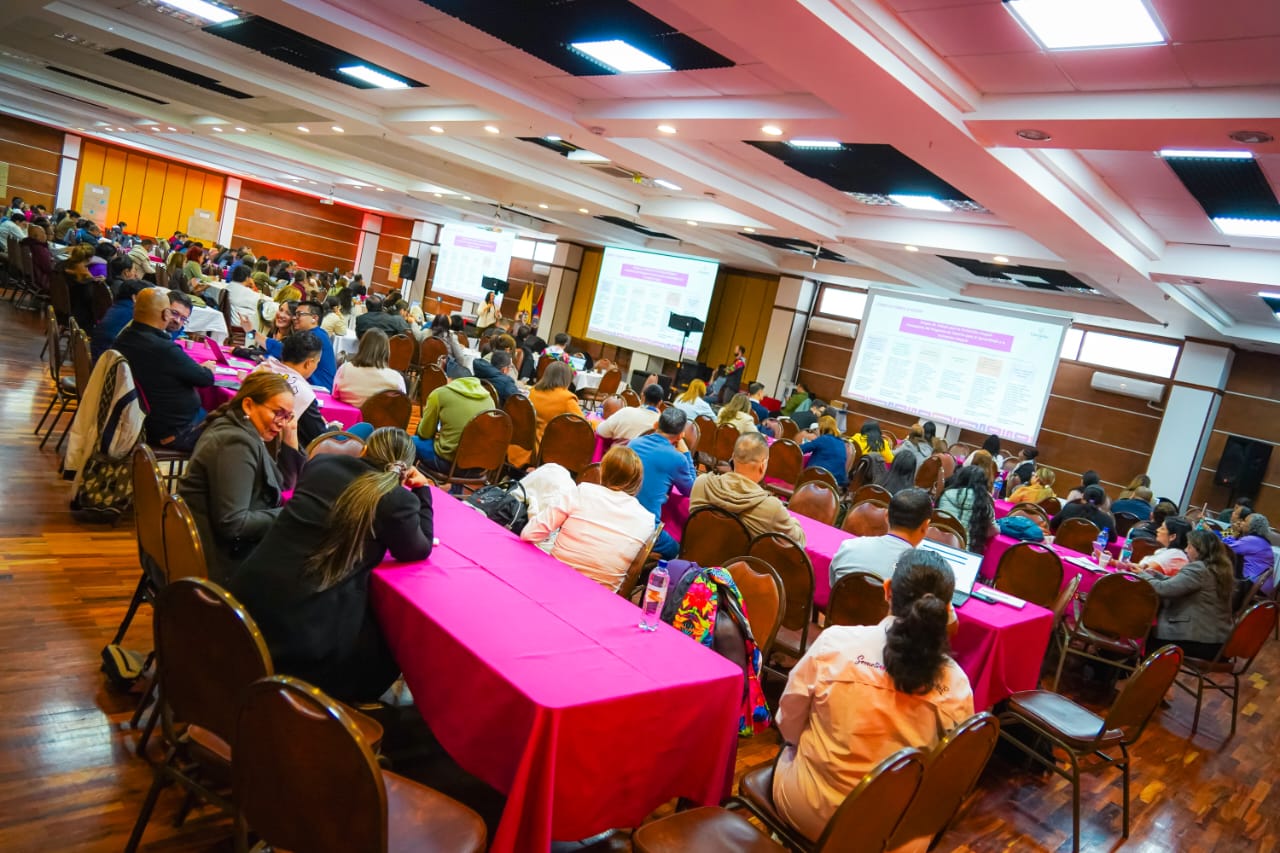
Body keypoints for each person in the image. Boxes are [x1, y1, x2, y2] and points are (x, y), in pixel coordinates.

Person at [773, 549, 973, 843]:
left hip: (809, 812)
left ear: (887, 590)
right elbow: (949, 777)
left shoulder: (835, 643)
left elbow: (788, 722)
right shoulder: (955, 683)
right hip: (891, 837)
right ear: (946, 611)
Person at [230, 427, 431, 703]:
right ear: (407, 469)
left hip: (245, 600)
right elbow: (418, 549)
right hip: (301, 633)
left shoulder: (321, 465)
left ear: (364, 450)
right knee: (387, 644)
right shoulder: (396, 500)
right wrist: (423, 491)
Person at [177, 372, 303, 582]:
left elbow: (282, 487)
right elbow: (233, 524)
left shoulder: (238, 429)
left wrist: (291, 438)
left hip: (207, 544)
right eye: (277, 413)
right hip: (216, 560)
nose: (282, 422)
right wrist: (289, 514)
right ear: (248, 405)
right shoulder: (235, 444)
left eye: (288, 416)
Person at [520, 446, 656, 591]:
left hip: (553, 581)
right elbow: (630, 575)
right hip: (600, 598)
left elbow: (529, 534)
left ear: (602, 472)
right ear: (638, 481)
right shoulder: (648, 520)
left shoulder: (583, 491)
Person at [112, 288, 213, 450]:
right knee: (230, 435)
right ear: (165, 314)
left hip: (150, 420)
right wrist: (207, 369)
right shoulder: (163, 348)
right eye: (173, 313)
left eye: (183, 319)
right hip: (174, 431)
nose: (177, 321)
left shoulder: (126, 336)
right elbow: (206, 379)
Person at [690, 432, 806, 545]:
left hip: (696, 559)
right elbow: (797, 541)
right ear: (763, 465)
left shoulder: (702, 483)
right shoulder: (771, 508)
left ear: (733, 457)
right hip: (734, 564)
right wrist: (795, 522)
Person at [1141, 530, 1236, 660]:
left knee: (1143, 632)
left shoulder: (1199, 569)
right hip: (1216, 640)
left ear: (1199, 550)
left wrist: (1141, 574)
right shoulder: (1217, 569)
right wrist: (1156, 575)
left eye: (1189, 546)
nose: (1185, 550)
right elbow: (1179, 584)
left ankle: (1139, 676)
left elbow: (1163, 589)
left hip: (1199, 641)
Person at [630, 407, 697, 560]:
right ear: (680, 435)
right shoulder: (676, 458)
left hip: (622, 514)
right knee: (678, 550)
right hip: (646, 528)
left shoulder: (633, 443)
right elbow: (692, 490)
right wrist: (686, 453)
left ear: (655, 425)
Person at [829, 488, 932, 585]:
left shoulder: (848, 547)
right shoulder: (925, 575)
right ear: (925, 526)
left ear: (886, 516)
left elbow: (833, 586)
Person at [253, 331, 329, 447]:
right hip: (271, 451)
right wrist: (332, 427)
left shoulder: (261, 368)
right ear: (309, 363)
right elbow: (318, 437)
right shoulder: (303, 393)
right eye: (317, 363)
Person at [413, 373, 492, 472]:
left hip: (447, 464)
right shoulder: (489, 399)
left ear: (449, 378)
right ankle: (451, 486)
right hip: (479, 467)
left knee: (409, 441)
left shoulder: (440, 393)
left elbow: (424, 434)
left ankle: (408, 482)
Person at [517, 361, 583, 467]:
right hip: (543, 452)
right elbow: (582, 425)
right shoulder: (567, 398)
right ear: (567, 379)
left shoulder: (532, 391)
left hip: (520, 447)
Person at [332, 328, 406, 409]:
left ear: (361, 346)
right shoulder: (396, 378)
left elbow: (335, 396)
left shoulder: (344, 369)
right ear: (386, 351)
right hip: (380, 420)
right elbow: (401, 407)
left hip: (347, 420)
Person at [273, 299, 336, 390]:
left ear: (314, 318)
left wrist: (254, 333)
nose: (294, 318)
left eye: (299, 314)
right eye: (295, 314)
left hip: (318, 390)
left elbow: (285, 351)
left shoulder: (316, 336)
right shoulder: (314, 333)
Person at [937, 466, 997, 555]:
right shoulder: (983, 503)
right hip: (964, 551)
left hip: (937, 542)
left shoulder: (946, 494)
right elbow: (994, 530)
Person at [90, 274, 145, 361]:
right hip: (108, 361)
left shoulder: (117, 306)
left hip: (98, 355)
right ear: (135, 297)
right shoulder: (133, 313)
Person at [1224, 513, 1275, 595]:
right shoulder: (1260, 540)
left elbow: (1224, 547)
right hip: (1261, 587)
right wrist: (1232, 532)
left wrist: (1233, 531)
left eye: (1245, 521)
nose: (1241, 523)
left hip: (1252, 587)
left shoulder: (1252, 540)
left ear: (1252, 526)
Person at [1049, 484, 1117, 543]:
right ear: (1102, 502)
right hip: (1088, 555)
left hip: (1061, 548)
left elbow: (1053, 524)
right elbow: (1113, 539)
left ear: (1082, 496)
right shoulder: (1106, 519)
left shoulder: (1069, 508)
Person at [1124, 516, 1191, 576]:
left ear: (1172, 536)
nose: (1157, 530)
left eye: (1162, 528)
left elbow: (1145, 572)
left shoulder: (1175, 555)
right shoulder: (1167, 551)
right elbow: (1140, 568)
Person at [597, 383, 662, 443]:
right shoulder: (661, 424)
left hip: (618, 454)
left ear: (642, 397)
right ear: (660, 403)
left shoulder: (626, 412)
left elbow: (601, 431)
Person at [799, 416, 850, 488]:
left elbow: (801, 449)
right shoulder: (841, 442)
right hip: (836, 482)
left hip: (820, 478)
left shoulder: (823, 439)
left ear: (821, 427)